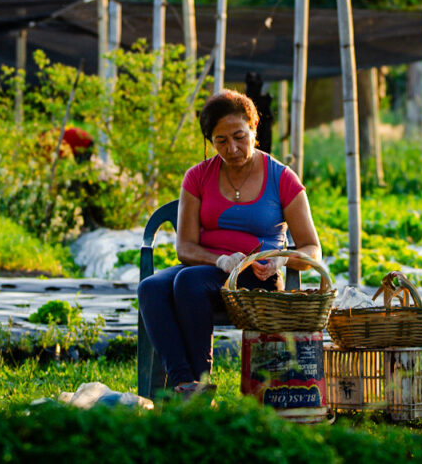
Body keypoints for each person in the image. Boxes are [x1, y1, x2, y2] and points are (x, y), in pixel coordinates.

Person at [137, 89, 321, 400]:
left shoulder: (282, 179)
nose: (232, 148)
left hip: (256, 277)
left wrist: (282, 260)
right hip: (208, 270)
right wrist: (220, 260)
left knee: (188, 281)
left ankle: (198, 380)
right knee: (151, 288)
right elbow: (185, 248)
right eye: (221, 141)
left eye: (239, 136)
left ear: (254, 128)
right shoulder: (197, 177)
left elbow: (311, 247)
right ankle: (187, 384)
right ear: (210, 142)